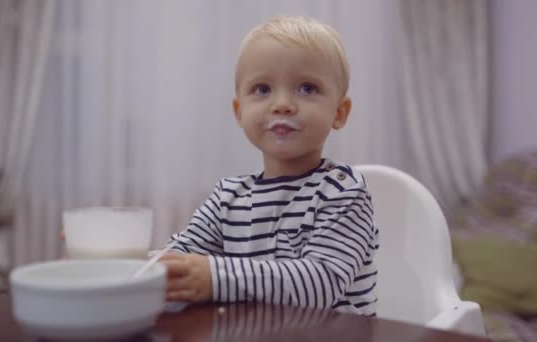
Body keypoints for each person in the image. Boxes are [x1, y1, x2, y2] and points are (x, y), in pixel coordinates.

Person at [159, 15, 379, 316]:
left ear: (339, 113)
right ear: (239, 111)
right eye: (263, 89)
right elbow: (175, 262)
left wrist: (216, 277)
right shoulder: (228, 197)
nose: (282, 104)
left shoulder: (342, 190)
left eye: (307, 88)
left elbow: (321, 284)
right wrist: (108, 268)